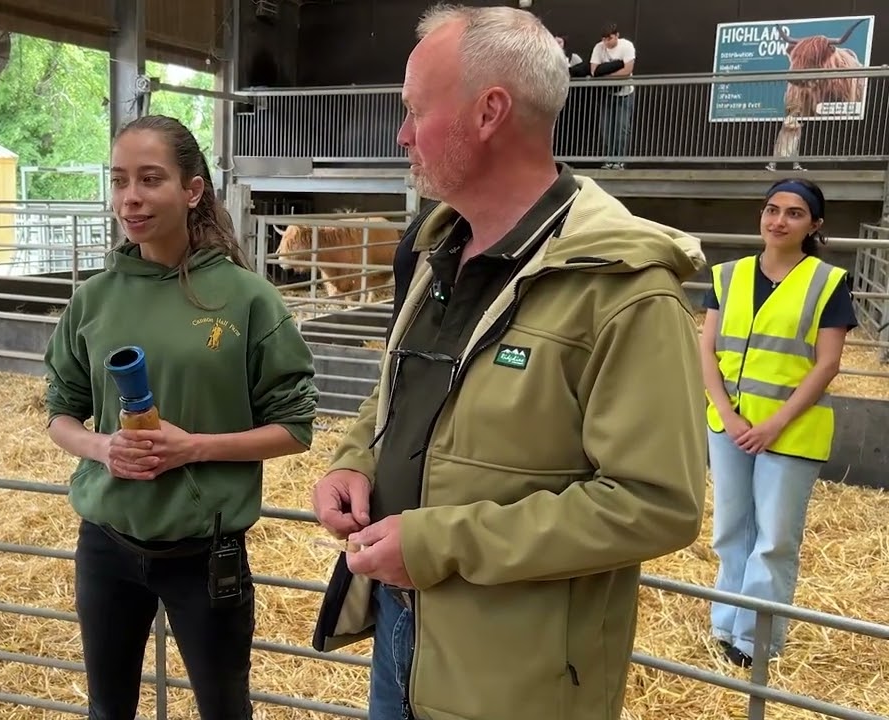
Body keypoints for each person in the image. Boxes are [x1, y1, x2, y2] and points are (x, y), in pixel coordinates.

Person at [308, 5, 707, 720]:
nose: (402, 134)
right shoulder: (435, 250)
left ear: (489, 112)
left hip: (517, 677)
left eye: (414, 111)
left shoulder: (622, 286)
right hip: (408, 626)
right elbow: (402, 388)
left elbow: (656, 505)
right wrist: (353, 460)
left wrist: (439, 542)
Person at [43, 114, 319, 719]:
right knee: (107, 711)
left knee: (224, 710)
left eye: (150, 179)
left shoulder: (248, 298)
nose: (130, 198)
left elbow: (295, 428)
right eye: (119, 181)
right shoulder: (94, 298)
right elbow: (61, 411)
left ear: (192, 190)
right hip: (107, 546)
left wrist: (192, 447)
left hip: (205, 554)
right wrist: (102, 449)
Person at [701, 178, 855, 669]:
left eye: (793, 213)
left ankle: (756, 643)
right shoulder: (726, 275)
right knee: (730, 531)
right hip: (728, 427)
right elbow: (706, 348)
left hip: (790, 432)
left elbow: (827, 364)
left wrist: (773, 425)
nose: (779, 221)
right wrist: (727, 414)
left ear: (814, 225)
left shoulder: (827, 282)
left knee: (774, 540)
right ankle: (724, 627)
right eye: (772, 209)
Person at [590, 23, 636, 168]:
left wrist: (605, 76)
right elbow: (593, 70)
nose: (606, 42)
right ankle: (610, 159)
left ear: (617, 35)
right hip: (606, 94)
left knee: (621, 127)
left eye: (609, 38)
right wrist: (612, 75)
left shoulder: (626, 46)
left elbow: (627, 70)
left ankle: (619, 160)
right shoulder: (598, 47)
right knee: (606, 128)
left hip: (625, 93)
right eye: (603, 39)